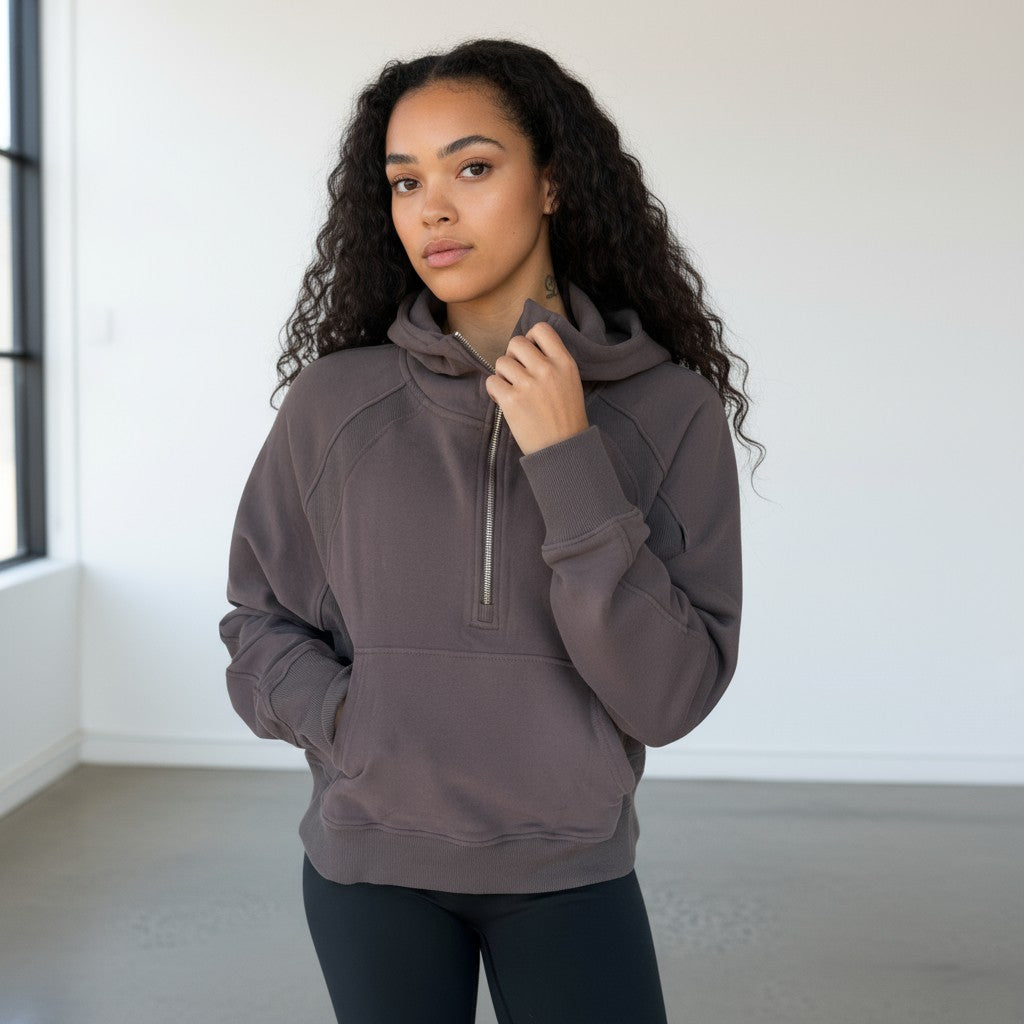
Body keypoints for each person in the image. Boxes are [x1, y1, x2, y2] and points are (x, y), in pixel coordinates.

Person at [218, 36, 761, 1024]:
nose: (433, 207)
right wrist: (351, 724)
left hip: (569, 862)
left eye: (472, 167)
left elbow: (671, 693)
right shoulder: (338, 399)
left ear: (551, 183)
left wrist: (567, 457)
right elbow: (258, 620)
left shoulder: (668, 410)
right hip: (372, 862)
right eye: (404, 180)